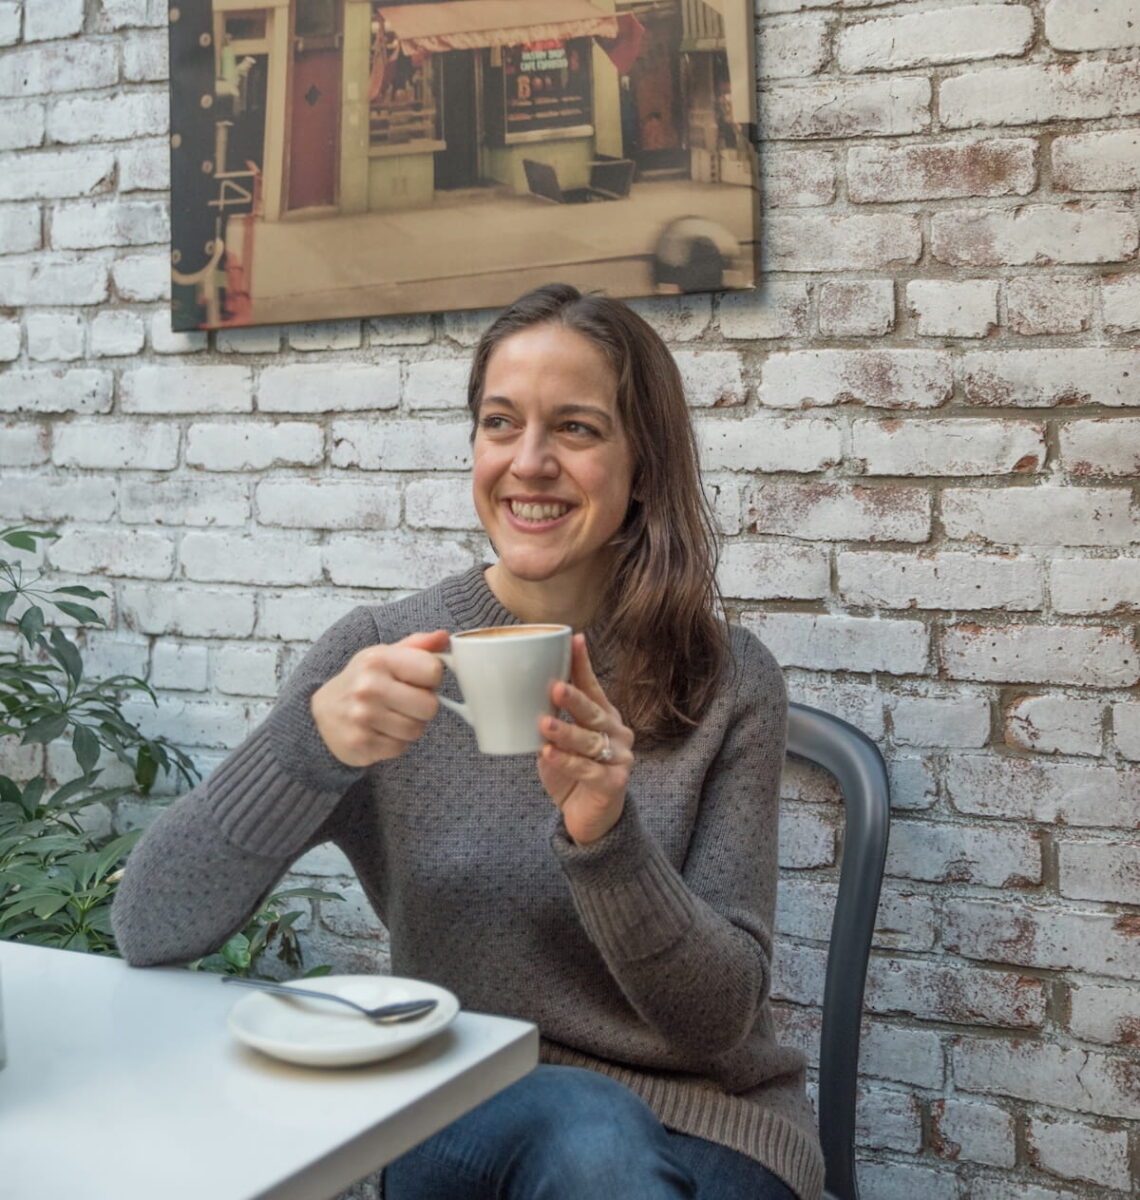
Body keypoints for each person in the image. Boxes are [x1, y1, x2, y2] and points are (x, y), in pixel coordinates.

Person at [111, 284, 824, 1200]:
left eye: (575, 429)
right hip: (460, 1107)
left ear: (642, 464)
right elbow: (149, 926)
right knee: (584, 1128)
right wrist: (308, 744)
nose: (529, 463)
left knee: (600, 1145)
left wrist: (607, 837)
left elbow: (720, 1023)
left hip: (712, 1125)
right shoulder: (379, 657)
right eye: (500, 423)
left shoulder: (727, 680)